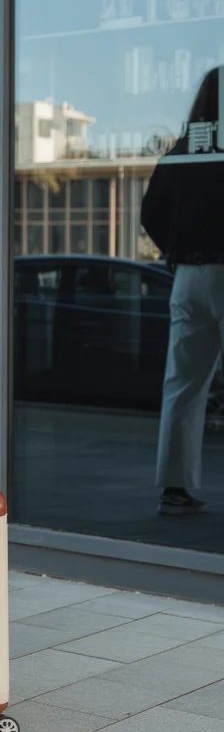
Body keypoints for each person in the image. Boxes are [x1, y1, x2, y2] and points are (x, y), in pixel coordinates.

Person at [141, 66, 224, 516]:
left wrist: (174, 250)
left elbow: (150, 212)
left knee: (183, 386)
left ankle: (175, 490)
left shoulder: (182, 150)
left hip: (189, 277)